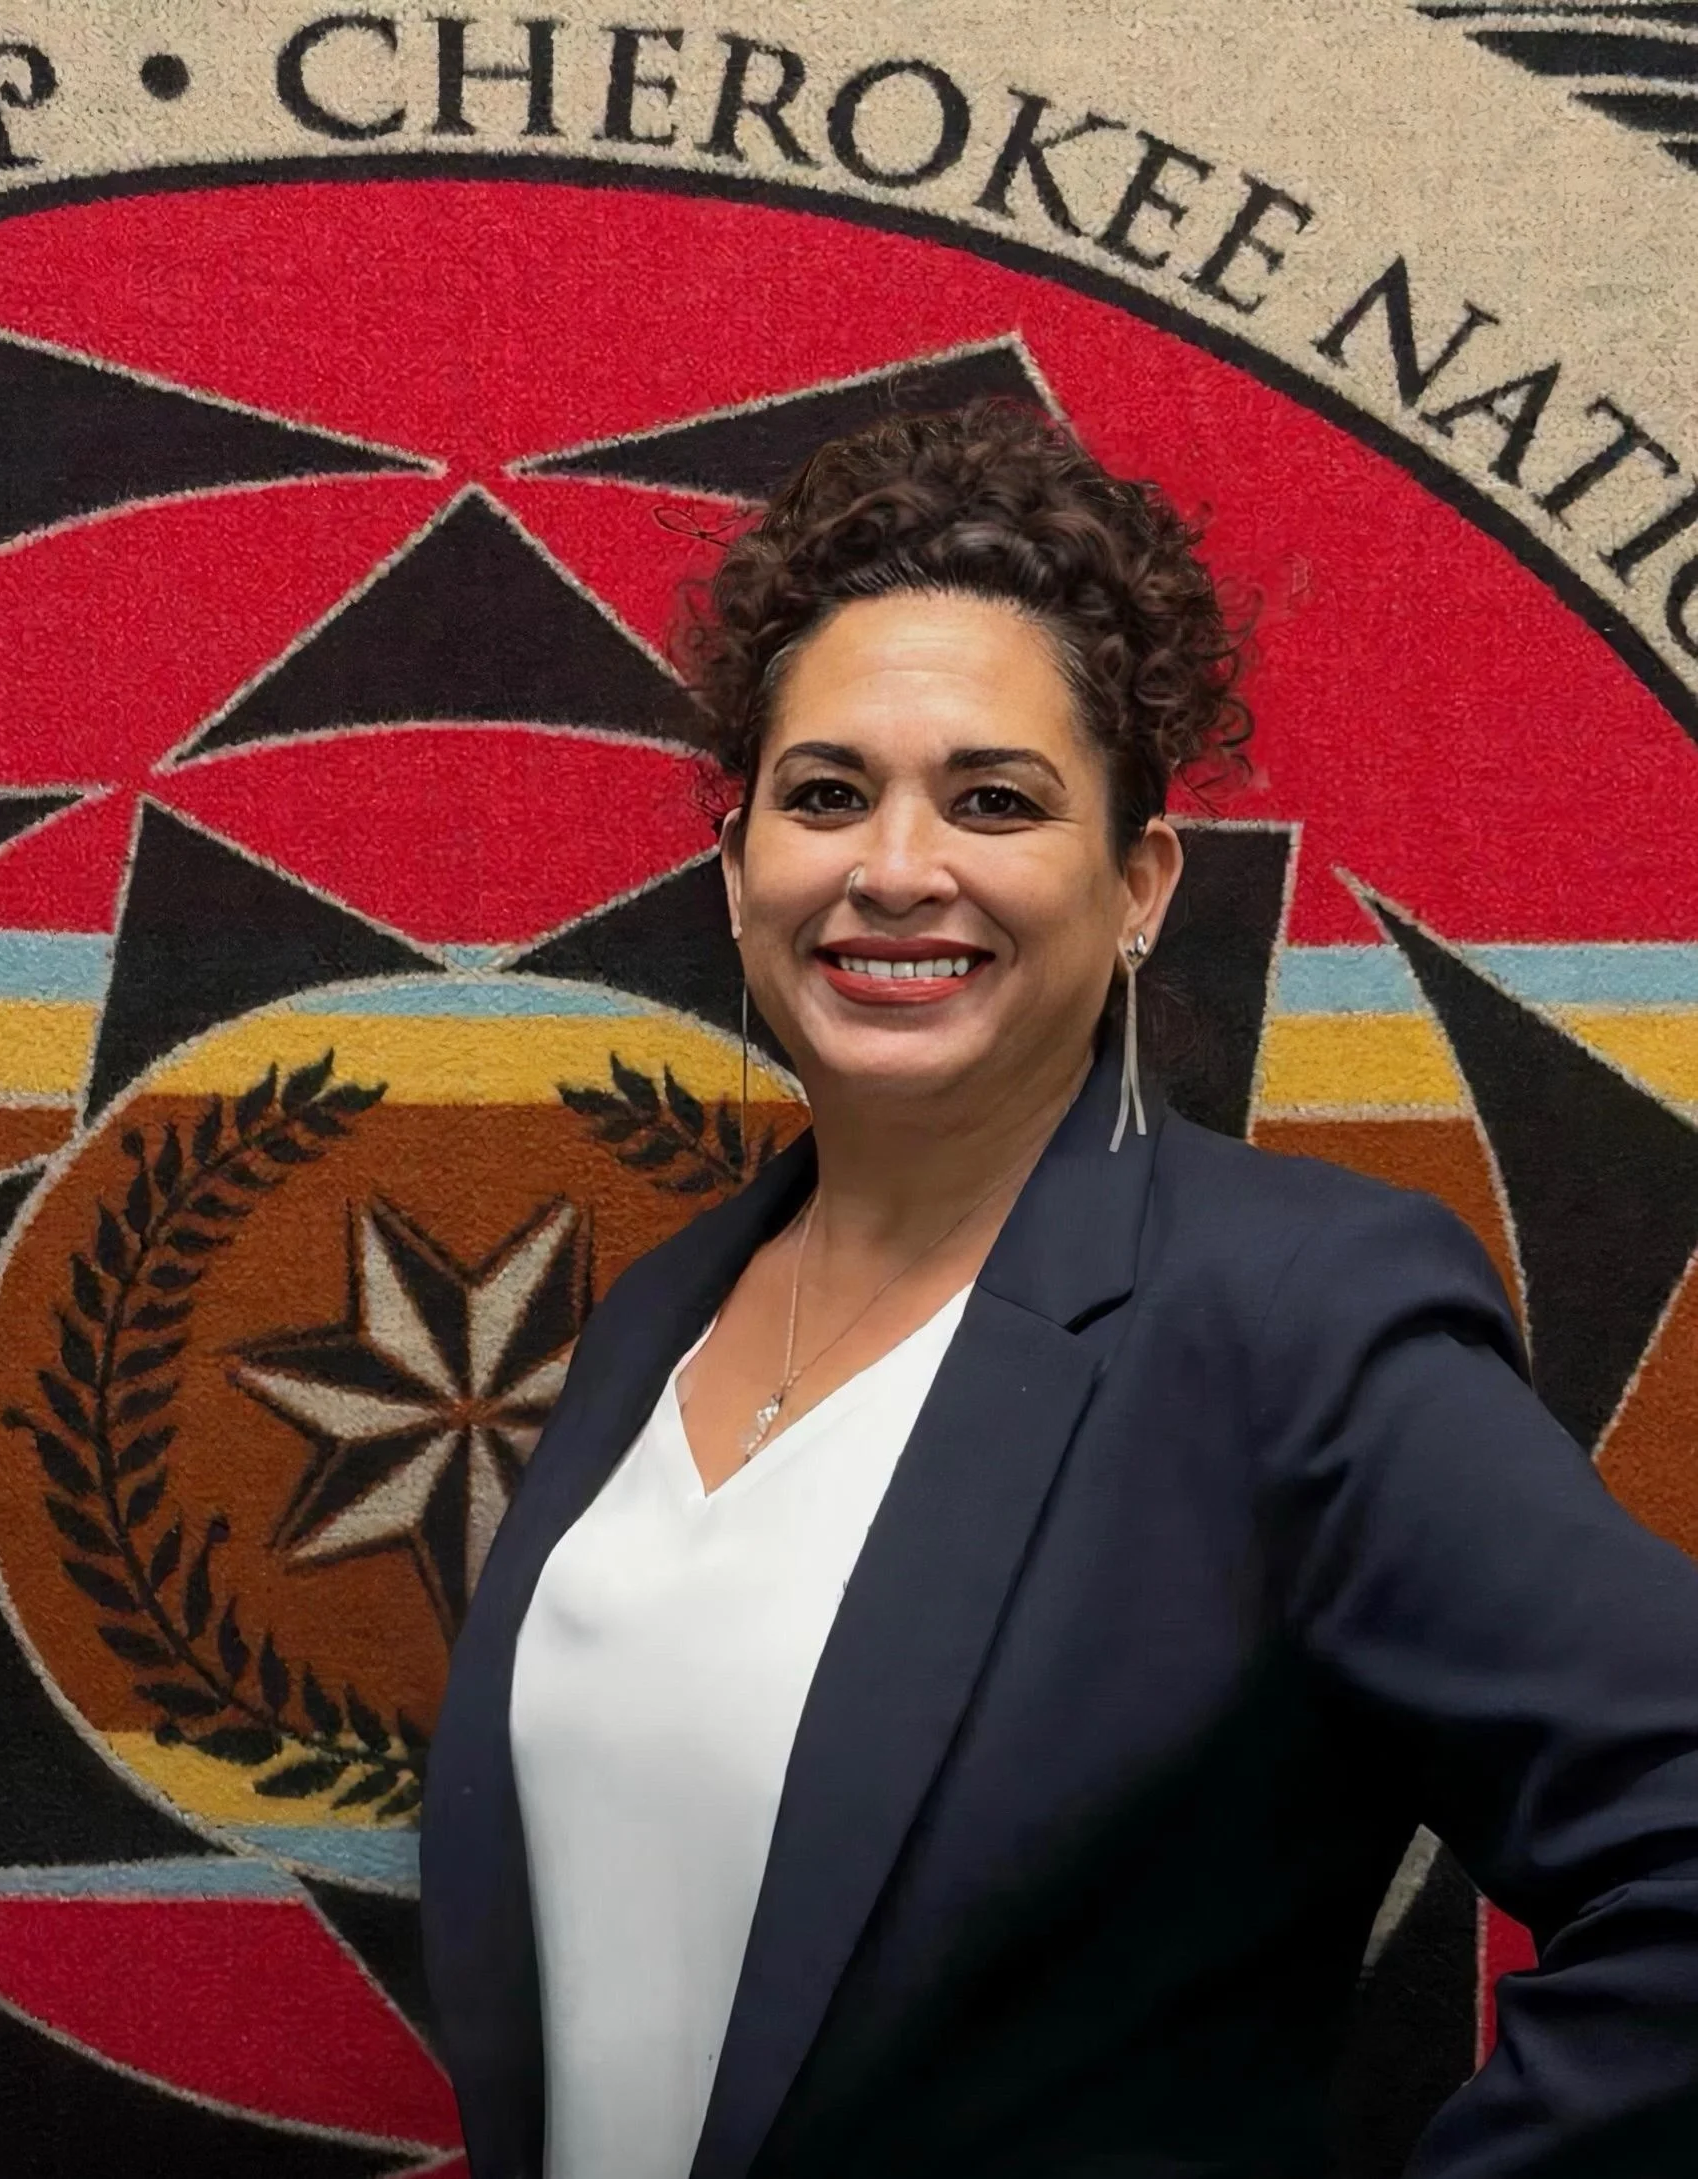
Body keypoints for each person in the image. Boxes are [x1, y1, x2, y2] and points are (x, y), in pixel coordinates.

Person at [420, 399, 1698, 2179]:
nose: (891, 867)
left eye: (995, 798)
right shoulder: (656, 1319)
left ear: (1139, 884)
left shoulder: (1293, 1316)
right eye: (823, 794)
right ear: (735, 876)